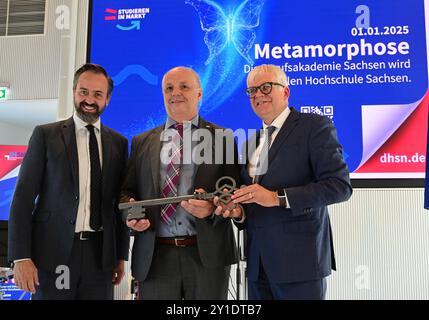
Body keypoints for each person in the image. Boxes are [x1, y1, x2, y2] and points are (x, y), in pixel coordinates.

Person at [217, 64, 352, 300]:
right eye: (252, 91)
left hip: (300, 264)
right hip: (257, 265)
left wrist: (277, 197)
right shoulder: (252, 142)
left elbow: (339, 187)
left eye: (266, 87)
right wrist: (237, 210)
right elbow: (253, 200)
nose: (258, 94)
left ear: (286, 92)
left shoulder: (314, 126)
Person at [8, 63, 130, 299]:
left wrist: (121, 255)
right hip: (52, 254)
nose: (89, 99)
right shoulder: (45, 135)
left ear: (108, 99)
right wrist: (21, 257)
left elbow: (118, 205)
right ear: (74, 92)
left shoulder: (118, 143)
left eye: (98, 94)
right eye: (84, 92)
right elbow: (23, 197)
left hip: (100, 257)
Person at [120, 66, 241, 300]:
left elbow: (233, 191)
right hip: (155, 257)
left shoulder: (223, 137)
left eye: (184, 86)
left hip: (206, 255)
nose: (175, 92)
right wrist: (133, 215)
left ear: (199, 93)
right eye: (169, 88)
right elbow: (128, 191)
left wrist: (213, 209)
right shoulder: (141, 142)